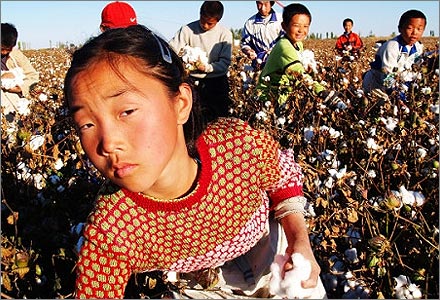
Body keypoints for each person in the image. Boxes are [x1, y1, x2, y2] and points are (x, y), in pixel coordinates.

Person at [63, 24, 326, 299]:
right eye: (86, 124)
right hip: (201, 288)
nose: (108, 143)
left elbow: (282, 179)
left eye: (127, 111)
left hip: (279, 261)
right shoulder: (112, 229)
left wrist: (299, 242)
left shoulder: (236, 147)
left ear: (181, 103)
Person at [256, 3, 337, 107]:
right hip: (267, 99)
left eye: (305, 26)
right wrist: (322, 92)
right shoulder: (284, 46)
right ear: (284, 26)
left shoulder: (298, 44)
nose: (301, 30)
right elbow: (298, 75)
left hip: (283, 94)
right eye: (296, 25)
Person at [169, 1, 232, 124]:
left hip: (216, 83)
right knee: (193, 120)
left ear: (217, 21)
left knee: (218, 121)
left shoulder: (225, 34)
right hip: (192, 82)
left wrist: (206, 68)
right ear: (200, 14)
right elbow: (172, 50)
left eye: (210, 23)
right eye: (202, 20)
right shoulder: (187, 30)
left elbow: (224, 63)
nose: (205, 26)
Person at [362, 9, 426, 94]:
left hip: (400, 86)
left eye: (419, 29)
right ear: (400, 29)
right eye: (410, 28)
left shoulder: (418, 47)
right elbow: (387, 79)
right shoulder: (391, 47)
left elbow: (415, 71)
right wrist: (398, 95)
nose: (414, 32)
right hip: (375, 86)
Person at [1, 23, 39, 116]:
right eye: (2, 49)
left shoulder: (16, 55)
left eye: (8, 49)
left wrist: (21, 88)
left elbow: (33, 76)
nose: (4, 52)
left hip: (15, 104)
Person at [241, 1, 284, 69]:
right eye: (259, 4)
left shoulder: (281, 20)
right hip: (258, 65)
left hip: (279, 65)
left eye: (266, 4)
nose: (263, 8)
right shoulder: (250, 23)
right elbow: (245, 44)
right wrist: (248, 51)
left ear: (271, 3)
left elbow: (286, 42)